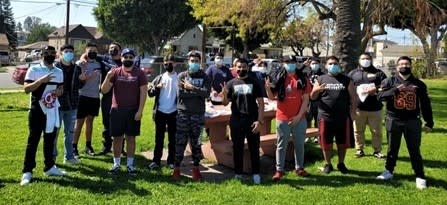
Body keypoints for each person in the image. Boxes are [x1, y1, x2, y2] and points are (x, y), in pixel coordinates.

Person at [376, 56, 434, 190]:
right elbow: (379, 97)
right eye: (401, 64)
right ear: (397, 67)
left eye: (406, 64)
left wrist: (429, 122)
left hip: (412, 120)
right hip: (393, 119)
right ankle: (389, 171)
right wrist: (395, 90)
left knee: (414, 149)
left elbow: (425, 104)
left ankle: (419, 175)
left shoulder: (419, 84)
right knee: (392, 148)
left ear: (411, 66)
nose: (404, 66)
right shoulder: (389, 81)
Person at [20, 46, 66, 186]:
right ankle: (27, 171)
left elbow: (61, 89)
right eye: (47, 53)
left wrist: (59, 92)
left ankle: (50, 167)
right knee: (33, 140)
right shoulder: (34, 70)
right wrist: (41, 81)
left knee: (50, 139)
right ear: (41, 54)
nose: (50, 55)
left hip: (51, 110)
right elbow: (26, 89)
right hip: (36, 110)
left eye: (52, 53)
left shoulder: (59, 71)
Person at [101, 48, 148, 175]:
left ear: (134, 58)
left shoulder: (140, 73)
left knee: (131, 138)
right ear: (121, 58)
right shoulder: (115, 72)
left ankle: (130, 166)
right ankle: (116, 165)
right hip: (117, 110)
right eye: (125, 57)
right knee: (117, 138)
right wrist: (107, 77)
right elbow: (104, 90)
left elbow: (144, 93)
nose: (128, 59)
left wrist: (140, 111)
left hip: (133, 111)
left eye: (130, 57)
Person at [265, 56, 312, 181]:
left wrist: (298, 116)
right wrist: (268, 88)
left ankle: (299, 168)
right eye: (287, 62)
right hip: (282, 118)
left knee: (299, 144)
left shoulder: (302, 78)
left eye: (292, 62)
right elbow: (271, 97)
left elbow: (306, 99)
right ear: (283, 64)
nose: (290, 64)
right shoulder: (278, 78)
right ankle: (279, 170)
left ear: (296, 64)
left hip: (299, 118)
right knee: (281, 145)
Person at [310, 55, 357, 174]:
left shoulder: (346, 80)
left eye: (335, 64)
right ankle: (328, 164)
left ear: (339, 65)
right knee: (326, 142)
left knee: (342, 142)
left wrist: (353, 112)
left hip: (343, 117)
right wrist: (317, 90)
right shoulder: (320, 79)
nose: (333, 66)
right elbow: (312, 96)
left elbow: (353, 98)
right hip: (325, 117)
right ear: (326, 66)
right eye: (330, 64)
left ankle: (341, 163)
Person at [221, 58, 264, 184]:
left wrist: (260, 121)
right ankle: (238, 173)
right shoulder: (230, 83)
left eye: (243, 67)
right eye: (238, 67)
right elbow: (225, 103)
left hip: (252, 120)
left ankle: (256, 174)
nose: (241, 69)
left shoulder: (254, 82)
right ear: (234, 68)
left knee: (254, 148)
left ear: (248, 68)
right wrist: (224, 94)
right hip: (236, 120)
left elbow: (261, 103)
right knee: (237, 148)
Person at [172, 53, 210, 180]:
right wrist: (197, 92)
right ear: (188, 61)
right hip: (183, 114)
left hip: (198, 115)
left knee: (197, 143)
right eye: (192, 60)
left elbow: (206, 94)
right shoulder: (182, 76)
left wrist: (191, 87)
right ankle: (176, 169)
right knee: (180, 142)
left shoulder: (205, 76)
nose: (194, 62)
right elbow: (181, 94)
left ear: (200, 62)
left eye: (196, 61)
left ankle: (196, 168)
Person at [348, 53, 387, 158]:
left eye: (368, 58)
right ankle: (359, 149)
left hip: (375, 108)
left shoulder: (379, 73)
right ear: (359, 60)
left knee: (376, 131)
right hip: (358, 108)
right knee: (358, 130)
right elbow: (348, 89)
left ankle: (377, 150)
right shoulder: (352, 73)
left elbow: (385, 87)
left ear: (371, 60)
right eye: (363, 58)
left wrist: (376, 90)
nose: (365, 60)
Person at [147, 54, 178, 169]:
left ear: (175, 64)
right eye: (165, 62)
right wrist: (156, 87)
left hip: (174, 113)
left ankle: (171, 161)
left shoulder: (179, 78)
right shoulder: (159, 78)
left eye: (170, 62)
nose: (167, 64)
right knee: (158, 138)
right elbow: (149, 93)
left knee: (172, 139)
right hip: (160, 112)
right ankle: (156, 161)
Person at [72, 42, 103, 157]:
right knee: (79, 122)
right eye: (90, 51)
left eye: (95, 51)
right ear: (85, 51)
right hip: (82, 96)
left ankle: (88, 146)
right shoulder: (79, 64)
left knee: (90, 121)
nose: (93, 53)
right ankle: (74, 146)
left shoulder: (99, 64)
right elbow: (75, 81)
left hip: (95, 97)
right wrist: (86, 77)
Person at [53, 44, 82, 165]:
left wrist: (83, 80)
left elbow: (79, 86)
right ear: (60, 53)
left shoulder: (77, 68)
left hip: (72, 105)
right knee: (54, 133)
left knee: (69, 133)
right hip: (57, 106)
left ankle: (69, 157)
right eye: (66, 51)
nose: (69, 53)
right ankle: (52, 159)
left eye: (71, 51)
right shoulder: (55, 67)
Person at [98, 42, 123, 155]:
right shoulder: (104, 60)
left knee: (120, 123)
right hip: (107, 96)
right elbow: (88, 55)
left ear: (120, 50)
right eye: (111, 48)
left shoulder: (125, 61)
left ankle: (120, 147)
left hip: (121, 97)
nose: (113, 50)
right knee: (106, 123)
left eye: (115, 48)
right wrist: (84, 57)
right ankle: (106, 146)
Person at [305, 58, 324, 143]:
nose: (314, 65)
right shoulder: (307, 74)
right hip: (308, 100)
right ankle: (307, 136)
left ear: (319, 64)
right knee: (308, 118)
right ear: (310, 64)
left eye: (316, 63)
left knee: (317, 118)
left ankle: (317, 136)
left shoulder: (323, 75)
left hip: (319, 99)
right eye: (313, 63)